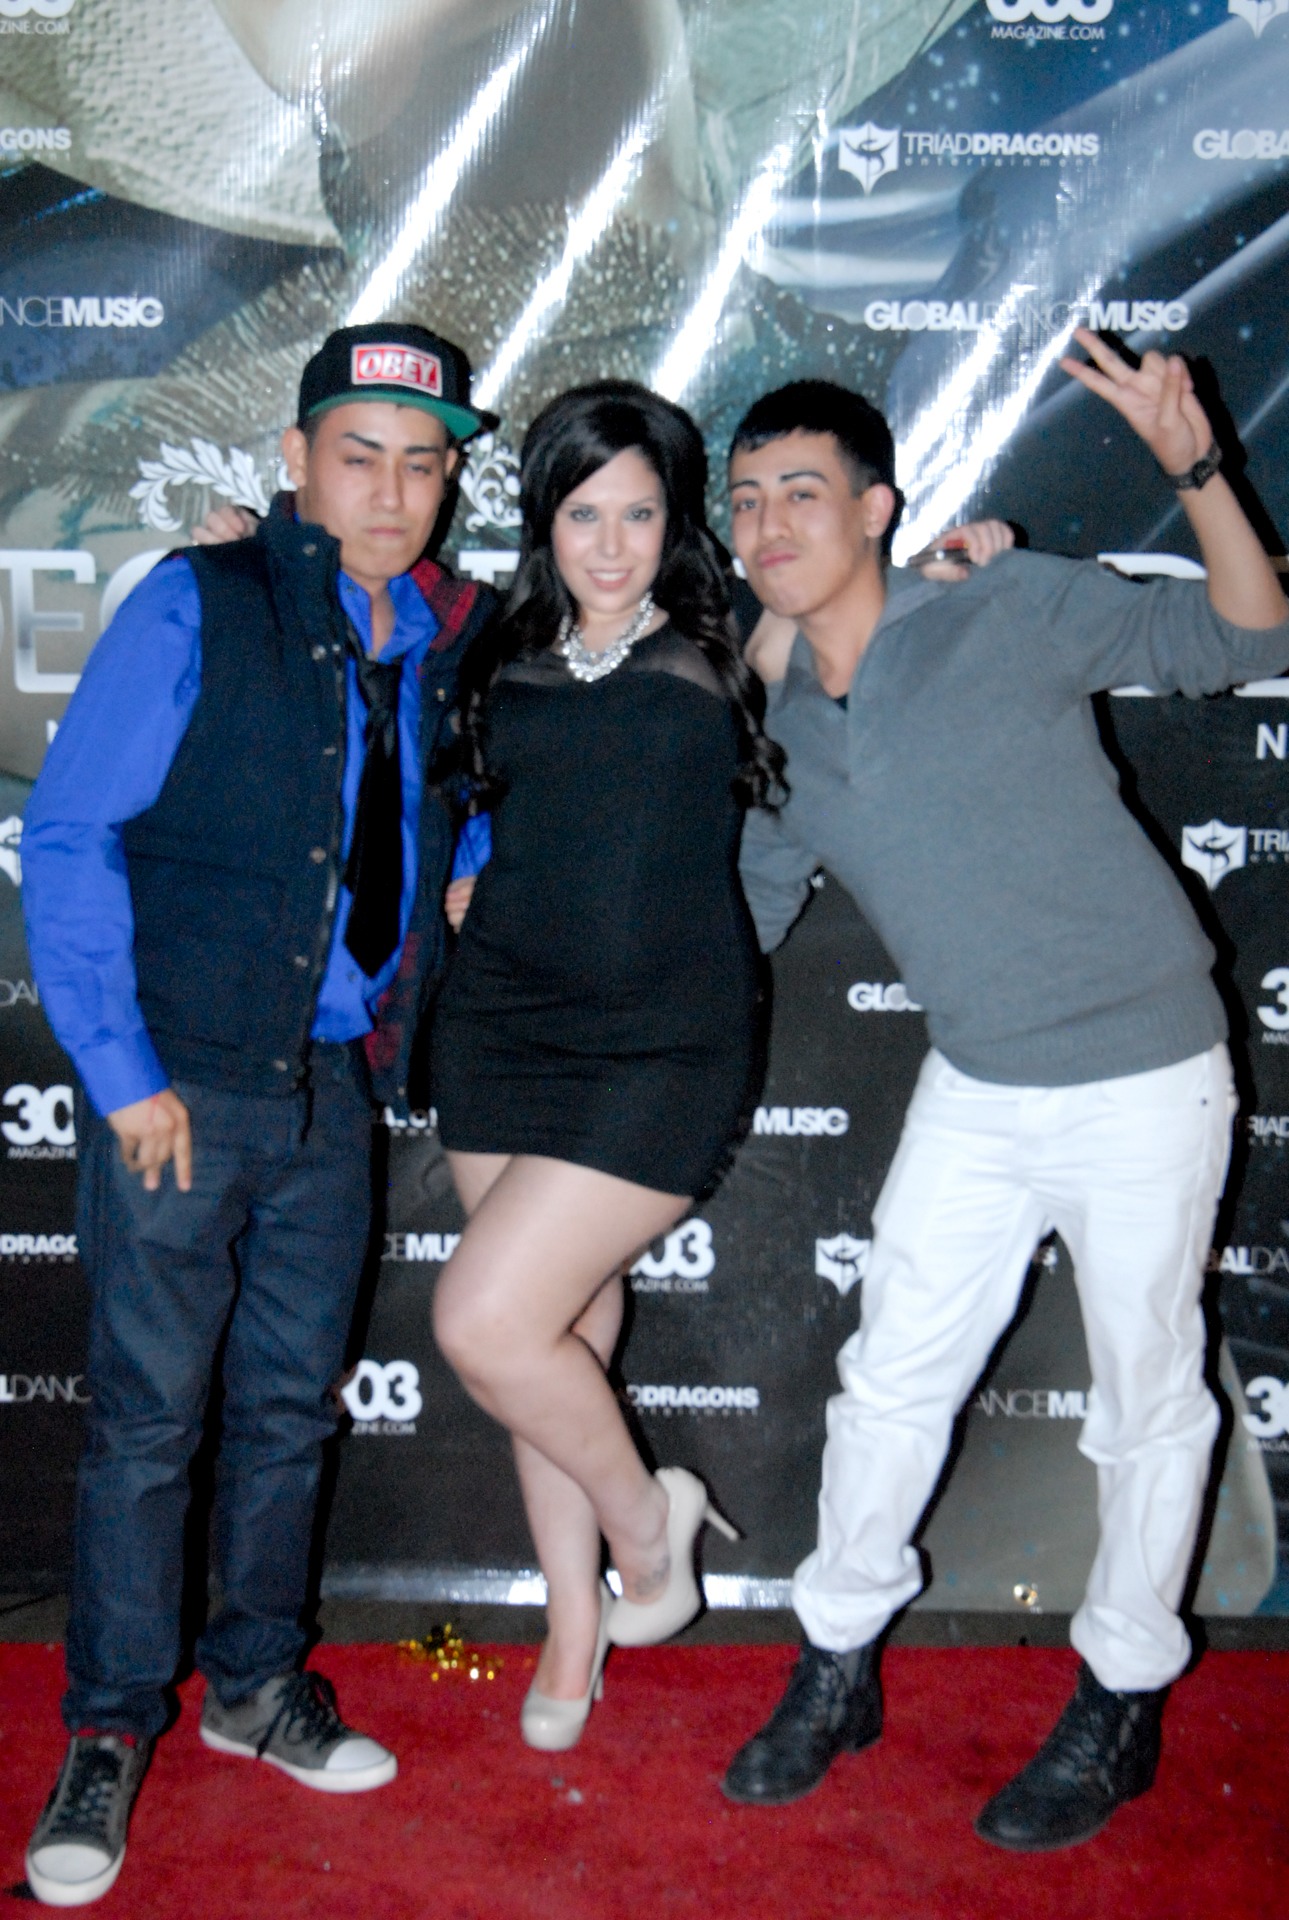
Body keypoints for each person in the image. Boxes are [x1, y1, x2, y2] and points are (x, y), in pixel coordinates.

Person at [721, 333, 1289, 1849]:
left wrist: (1193, 466)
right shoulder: (785, 721)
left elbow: (1250, 636)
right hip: (975, 1082)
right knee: (890, 1377)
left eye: (801, 493)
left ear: (876, 509)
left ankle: (1122, 1696)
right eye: (746, 502)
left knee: (1146, 1401)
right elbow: (734, 920)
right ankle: (837, 1661)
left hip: (1144, 1074)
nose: (768, 524)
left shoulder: (1006, 603)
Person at [18, 321, 495, 1908]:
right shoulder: (197, 599)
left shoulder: (436, 637)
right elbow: (69, 835)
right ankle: (106, 1728)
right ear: (294, 463)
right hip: (183, 1085)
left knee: (290, 1412)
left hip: (332, 1091)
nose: (392, 492)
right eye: (359, 457)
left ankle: (252, 1683)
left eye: (420, 465)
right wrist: (123, 1072)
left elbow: (423, 815)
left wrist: (467, 871)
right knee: (150, 1429)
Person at [427, 380, 782, 1752]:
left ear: (674, 520)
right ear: (545, 520)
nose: (614, 545)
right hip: (503, 1021)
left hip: (663, 1039)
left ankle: (649, 1527)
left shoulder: (735, 632)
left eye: (640, 514)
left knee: (487, 1323)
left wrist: (959, 558)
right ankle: (573, 1623)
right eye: (586, 515)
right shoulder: (492, 640)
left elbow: (866, 595)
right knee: (558, 1342)